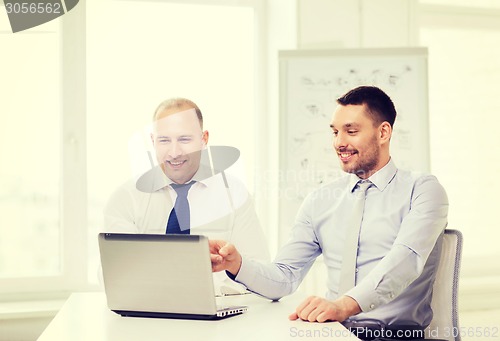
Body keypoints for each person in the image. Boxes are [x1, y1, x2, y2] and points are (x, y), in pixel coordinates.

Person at [210, 86, 448, 340]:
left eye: (351, 131)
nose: (339, 142)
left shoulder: (422, 190)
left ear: (383, 132)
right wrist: (237, 264)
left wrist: (343, 305)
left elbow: (406, 260)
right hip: (331, 333)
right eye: (335, 132)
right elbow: (284, 277)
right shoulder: (319, 201)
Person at [103, 97, 270, 294]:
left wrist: (227, 271)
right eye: (164, 140)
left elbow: (259, 274)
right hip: (146, 317)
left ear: (204, 139)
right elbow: (113, 274)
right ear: (153, 141)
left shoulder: (233, 194)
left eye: (184, 139)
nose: (174, 152)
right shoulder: (126, 198)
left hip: (219, 316)